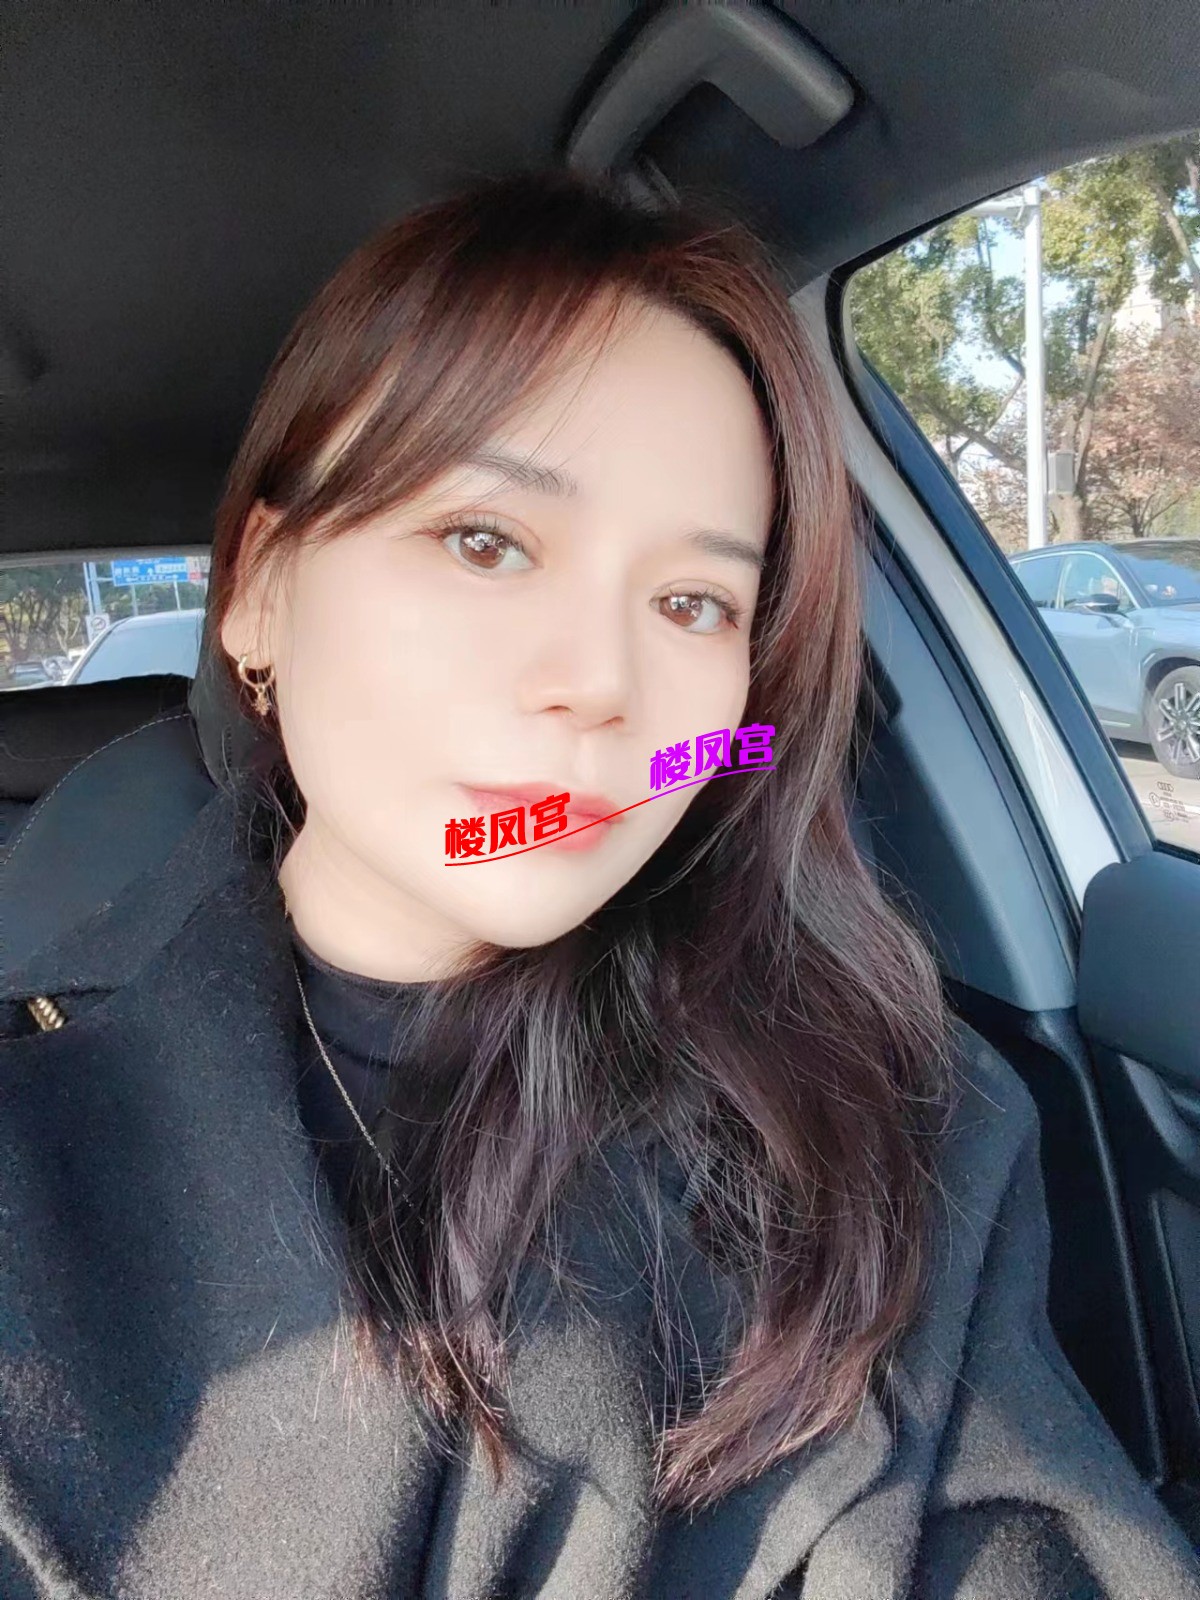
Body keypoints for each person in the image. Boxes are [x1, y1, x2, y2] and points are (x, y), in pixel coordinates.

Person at [2, 164, 1198, 1600]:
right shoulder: (38, 1134)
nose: (601, 683)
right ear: (260, 588)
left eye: (692, 602)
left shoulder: (883, 1126)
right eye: (486, 541)